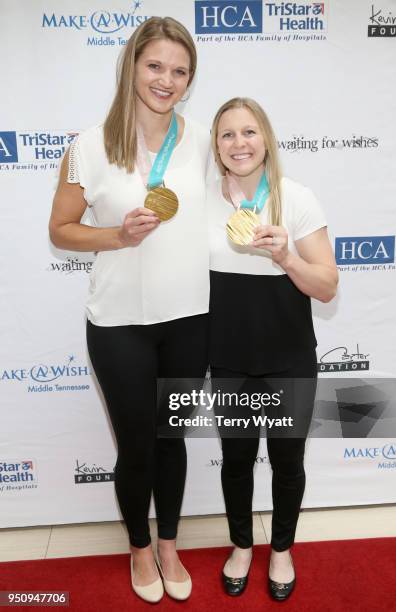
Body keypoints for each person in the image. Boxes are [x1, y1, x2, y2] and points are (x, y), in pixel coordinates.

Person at [49, 17, 210, 604]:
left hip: (191, 316)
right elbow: (61, 231)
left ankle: (170, 543)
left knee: (174, 439)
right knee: (137, 443)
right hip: (117, 324)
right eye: (156, 66)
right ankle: (140, 547)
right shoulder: (88, 145)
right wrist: (116, 237)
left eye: (179, 71)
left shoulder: (203, 141)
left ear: (190, 80)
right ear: (132, 65)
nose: (166, 80)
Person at [207, 97, 338, 601]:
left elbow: (326, 287)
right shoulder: (201, 201)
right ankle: (242, 545)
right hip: (229, 358)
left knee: (288, 463)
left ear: (266, 139)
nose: (239, 143)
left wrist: (285, 256)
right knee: (236, 461)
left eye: (248, 132)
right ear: (216, 147)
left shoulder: (295, 197)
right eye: (227, 135)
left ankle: (280, 549)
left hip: (288, 359)